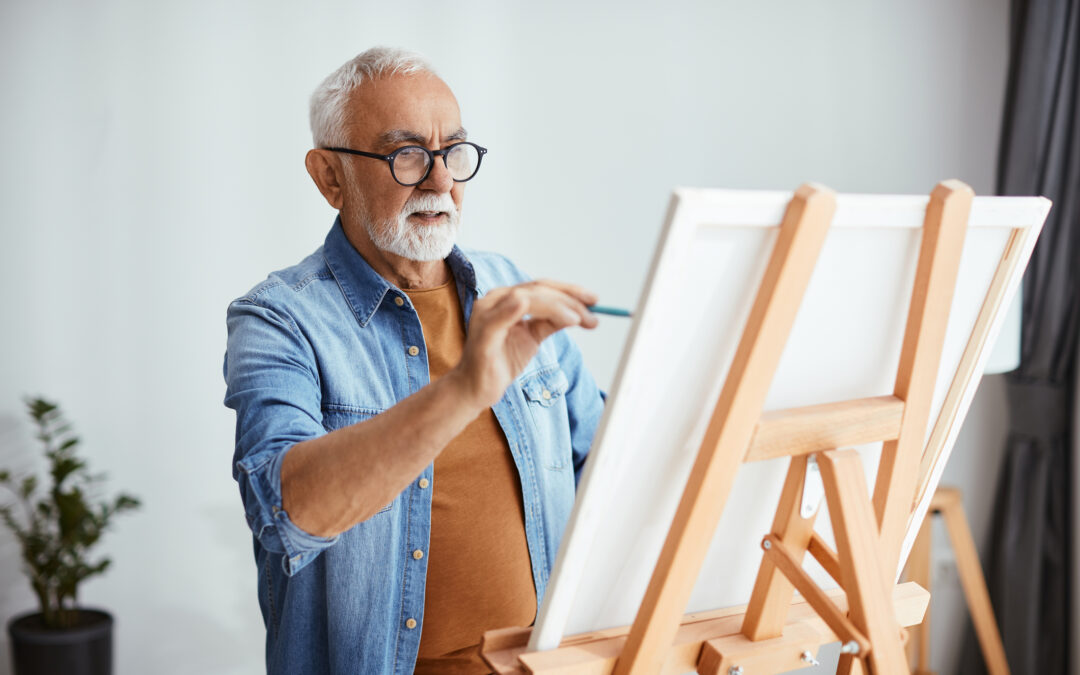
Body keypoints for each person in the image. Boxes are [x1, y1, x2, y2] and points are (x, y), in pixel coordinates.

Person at [223, 47, 606, 675]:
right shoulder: (276, 320)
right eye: (406, 155)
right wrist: (462, 391)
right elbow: (288, 515)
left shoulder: (510, 287)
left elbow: (600, 457)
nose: (440, 181)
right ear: (329, 177)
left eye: (453, 152)